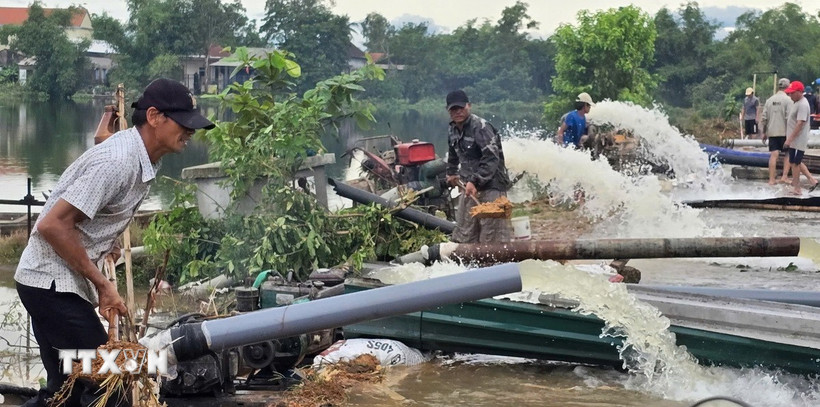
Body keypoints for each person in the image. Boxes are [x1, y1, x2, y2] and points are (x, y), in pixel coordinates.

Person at [15, 78, 215, 406]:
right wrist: (104, 286)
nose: (190, 132)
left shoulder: (138, 156)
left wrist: (106, 240)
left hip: (47, 283)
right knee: (112, 382)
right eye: (183, 123)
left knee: (65, 392)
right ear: (154, 117)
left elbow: (102, 173)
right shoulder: (118, 162)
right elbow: (52, 226)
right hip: (51, 285)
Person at [444, 89, 513, 243]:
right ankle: (470, 265)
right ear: (448, 111)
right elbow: (453, 154)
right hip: (469, 186)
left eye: (461, 108)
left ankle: (498, 265)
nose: (458, 112)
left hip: (491, 186)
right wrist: (451, 173)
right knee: (464, 232)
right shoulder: (452, 129)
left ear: (469, 106)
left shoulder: (481, 127)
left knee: (492, 235)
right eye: (454, 109)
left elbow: (491, 158)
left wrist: (475, 181)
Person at [783, 80, 819, 195]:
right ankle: (812, 180)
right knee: (794, 161)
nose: (790, 95)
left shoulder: (803, 104)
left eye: (792, 93)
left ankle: (797, 188)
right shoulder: (796, 102)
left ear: (799, 92)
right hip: (794, 140)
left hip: (798, 140)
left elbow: (800, 124)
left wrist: (789, 140)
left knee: (795, 163)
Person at [761, 78, 792, 185]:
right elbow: (789, 118)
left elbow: (764, 118)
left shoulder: (769, 100)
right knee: (788, 154)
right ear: (788, 87)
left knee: (774, 155)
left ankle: (771, 179)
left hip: (772, 132)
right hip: (785, 132)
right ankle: (784, 176)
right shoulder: (788, 100)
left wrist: (765, 132)